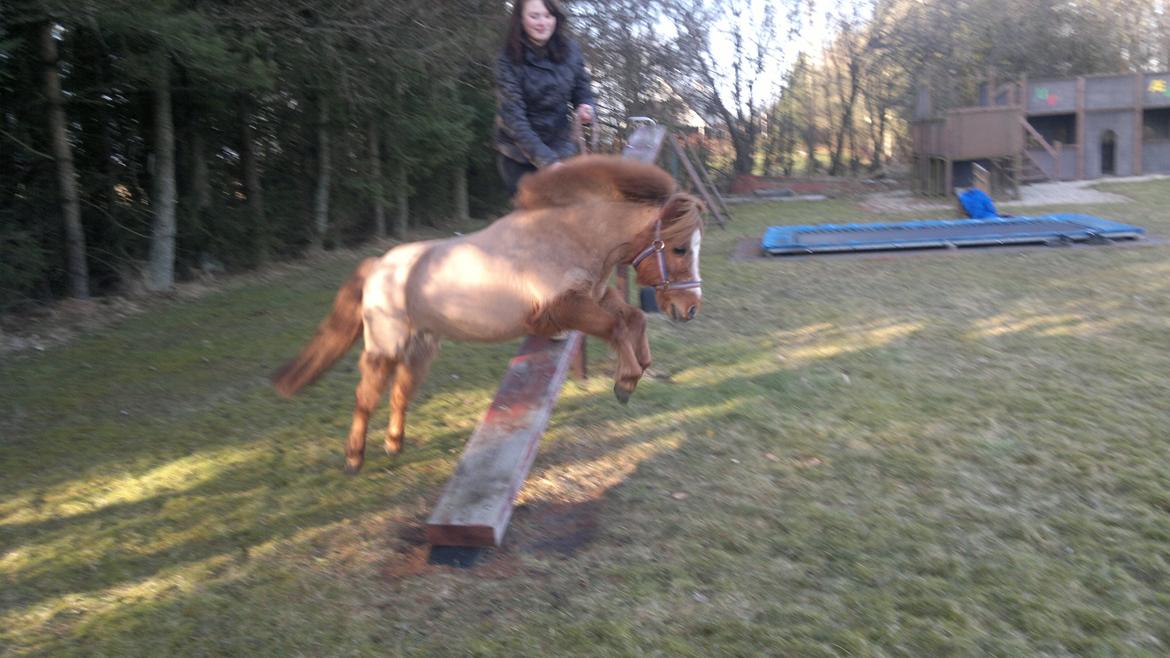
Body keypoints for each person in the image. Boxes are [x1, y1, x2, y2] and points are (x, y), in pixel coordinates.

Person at [495, 0, 596, 197]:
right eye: (534, 16)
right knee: (531, 220)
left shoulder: (571, 51)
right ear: (521, 19)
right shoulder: (507, 59)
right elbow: (513, 119)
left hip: (561, 146)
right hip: (518, 156)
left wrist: (586, 106)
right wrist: (547, 161)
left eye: (548, 16)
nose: (542, 22)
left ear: (556, 18)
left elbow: (582, 87)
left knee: (570, 215)